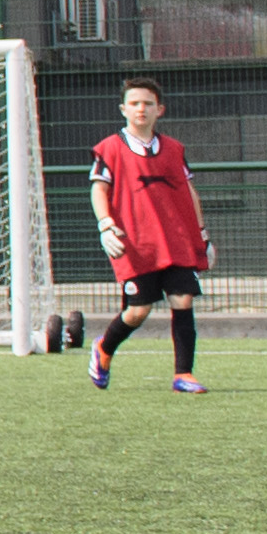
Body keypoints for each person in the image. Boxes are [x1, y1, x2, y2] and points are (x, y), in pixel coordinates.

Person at [87, 76, 212, 393]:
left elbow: (189, 192)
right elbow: (99, 189)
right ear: (123, 109)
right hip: (136, 244)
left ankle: (184, 374)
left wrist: (202, 233)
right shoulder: (110, 148)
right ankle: (104, 349)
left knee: (182, 300)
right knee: (138, 311)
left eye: (147, 103)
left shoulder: (174, 149)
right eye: (134, 103)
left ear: (160, 110)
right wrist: (105, 225)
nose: (141, 108)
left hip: (176, 241)